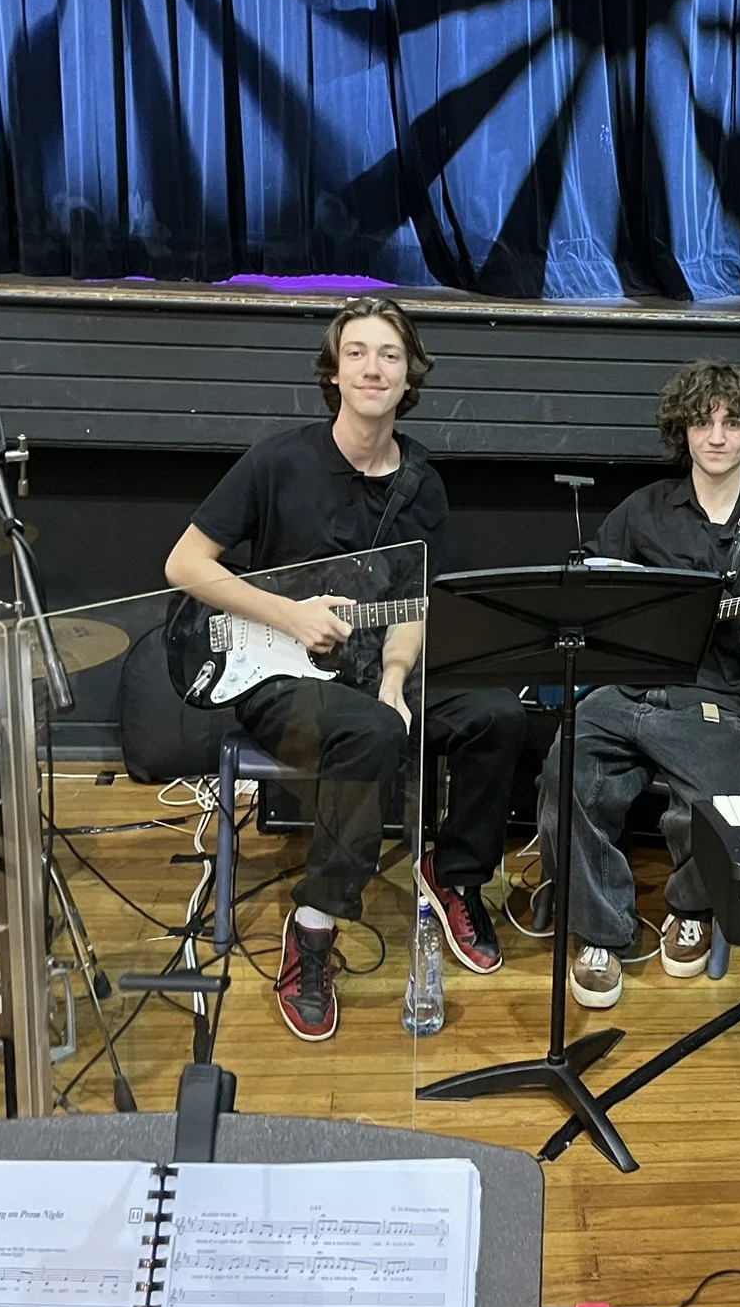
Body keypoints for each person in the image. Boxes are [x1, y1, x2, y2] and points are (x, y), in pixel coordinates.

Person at [164, 298, 526, 1044]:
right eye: (356, 352)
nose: (372, 368)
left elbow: (412, 602)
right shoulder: (278, 461)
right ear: (333, 372)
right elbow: (184, 563)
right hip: (276, 674)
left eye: (389, 355)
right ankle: (313, 924)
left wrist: (395, 678)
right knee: (372, 734)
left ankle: (454, 874)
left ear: (410, 376)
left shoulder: (421, 483)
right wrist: (287, 614)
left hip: (369, 668)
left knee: (497, 715)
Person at [541, 359, 740, 1009]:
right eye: (702, 422)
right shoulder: (643, 510)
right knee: (564, 771)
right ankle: (600, 930)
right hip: (624, 688)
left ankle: (691, 909)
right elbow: (592, 593)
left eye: (732, 422)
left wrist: (720, 609)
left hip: (714, 698)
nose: (716, 436)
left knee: (725, 801)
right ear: (682, 430)